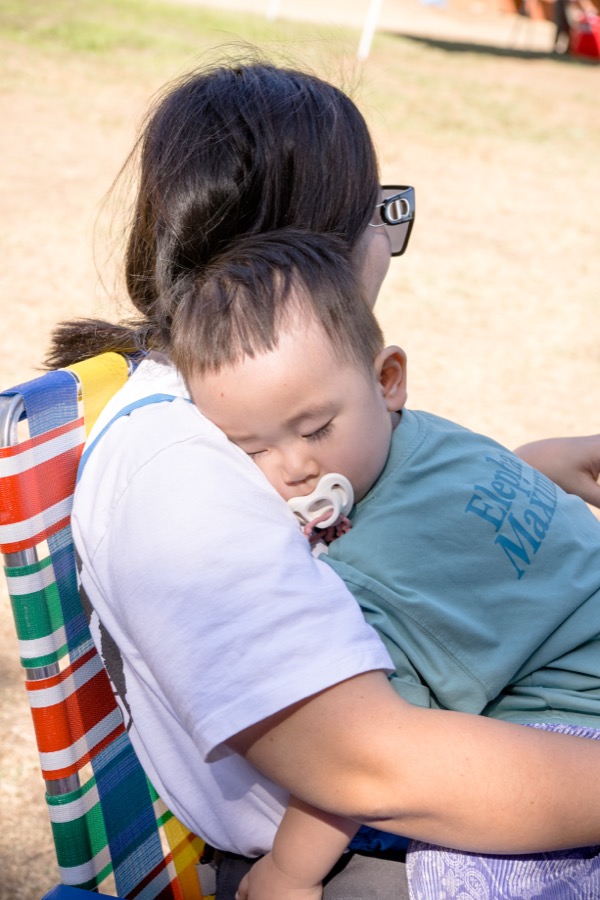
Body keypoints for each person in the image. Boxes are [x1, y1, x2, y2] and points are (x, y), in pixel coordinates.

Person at [46, 58, 600, 900]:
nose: (390, 243)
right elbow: (370, 766)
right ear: (306, 246)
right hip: (367, 851)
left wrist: (518, 472)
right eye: (380, 214)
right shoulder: (188, 469)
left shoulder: (245, 405)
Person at [179, 228, 600, 899]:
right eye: (251, 450)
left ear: (387, 380)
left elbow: (366, 765)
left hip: (573, 735)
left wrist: (290, 871)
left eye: (316, 428)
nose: (295, 466)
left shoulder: (369, 576)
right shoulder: (429, 435)